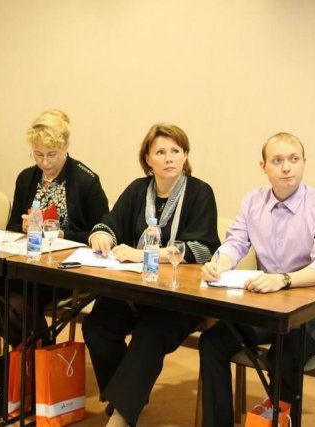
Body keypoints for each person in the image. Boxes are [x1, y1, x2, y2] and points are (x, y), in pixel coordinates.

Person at [198, 132, 315, 426]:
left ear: (304, 162)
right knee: (212, 342)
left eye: (293, 159)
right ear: (263, 166)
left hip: (310, 315)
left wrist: (283, 279)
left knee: (283, 355)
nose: (286, 167)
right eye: (277, 160)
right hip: (266, 309)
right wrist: (218, 264)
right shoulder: (253, 201)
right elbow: (236, 243)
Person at [83, 124, 220, 427]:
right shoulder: (137, 190)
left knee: (148, 335)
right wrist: (101, 236)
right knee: (96, 326)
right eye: (160, 152)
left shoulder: (200, 192)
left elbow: (203, 249)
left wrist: (144, 254)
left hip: (179, 299)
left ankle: (120, 417)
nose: (169, 158)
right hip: (136, 290)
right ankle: (128, 397)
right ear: (148, 159)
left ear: (185, 156)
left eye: (176, 151)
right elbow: (108, 224)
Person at [0, 109, 109, 346]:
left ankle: (36, 351)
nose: (45, 162)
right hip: (28, 263)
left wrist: (61, 234)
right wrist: (24, 227)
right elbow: (12, 226)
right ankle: (28, 353)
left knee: (17, 299)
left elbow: (102, 232)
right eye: (38, 154)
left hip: (65, 270)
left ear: (66, 147)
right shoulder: (26, 178)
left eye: (52, 154)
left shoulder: (86, 180)